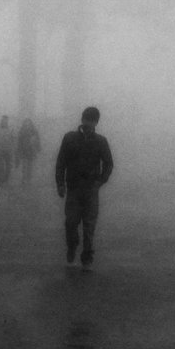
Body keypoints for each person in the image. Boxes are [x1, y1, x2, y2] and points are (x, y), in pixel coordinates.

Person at [55, 106, 114, 268]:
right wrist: (60, 184)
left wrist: (100, 182)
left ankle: (87, 256)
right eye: (87, 120)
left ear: (96, 123)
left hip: (91, 190)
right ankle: (72, 246)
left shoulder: (101, 141)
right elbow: (61, 163)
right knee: (71, 223)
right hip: (73, 189)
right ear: (82, 120)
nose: (89, 123)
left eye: (92, 121)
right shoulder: (69, 138)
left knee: (89, 226)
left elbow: (108, 164)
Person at [17, 117, 42, 185]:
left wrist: (38, 148)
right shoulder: (22, 131)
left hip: (31, 150)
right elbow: (19, 141)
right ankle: (24, 178)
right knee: (24, 165)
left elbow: (37, 140)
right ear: (24, 124)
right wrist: (19, 149)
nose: (27, 124)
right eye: (26, 123)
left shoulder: (34, 131)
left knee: (30, 166)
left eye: (28, 123)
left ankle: (28, 178)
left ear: (31, 124)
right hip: (24, 150)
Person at [0, 115, 15, 185]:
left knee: (8, 166)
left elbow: (13, 139)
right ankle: (1, 180)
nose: (4, 122)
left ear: (7, 121)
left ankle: (6, 179)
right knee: (0, 166)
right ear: (1, 121)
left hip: (8, 150)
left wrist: (13, 148)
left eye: (6, 120)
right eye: (3, 120)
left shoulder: (11, 129)